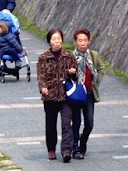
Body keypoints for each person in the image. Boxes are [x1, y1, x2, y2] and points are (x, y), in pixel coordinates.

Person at [36, 29, 79, 161]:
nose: (56, 41)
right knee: (51, 125)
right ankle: (51, 149)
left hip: (66, 96)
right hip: (50, 96)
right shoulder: (44, 58)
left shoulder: (69, 55)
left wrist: (73, 72)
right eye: (54, 39)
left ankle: (66, 150)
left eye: (59, 38)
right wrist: (43, 87)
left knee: (67, 123)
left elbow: (77, 76)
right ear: (49, 41)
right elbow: (41, 76)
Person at [69, 28, 104, 160]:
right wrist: (70, 72)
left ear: (89, 41)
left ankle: (83, 144)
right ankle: (75, 148)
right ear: (75, 42)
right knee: (76, 122)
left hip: (89, 93)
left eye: (85, 40)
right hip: (77, 94)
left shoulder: (93, 55)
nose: (82, 43)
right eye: (80, 40)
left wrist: (97, 81)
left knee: (89, 123)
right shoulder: (71, 56)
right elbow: (66, 73)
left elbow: (101, 69)